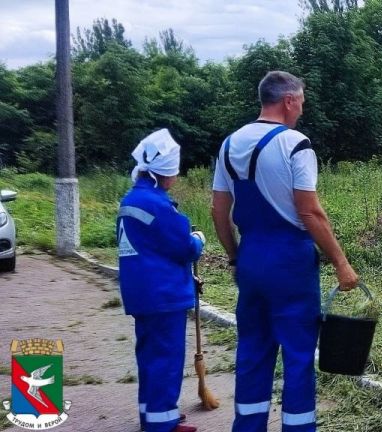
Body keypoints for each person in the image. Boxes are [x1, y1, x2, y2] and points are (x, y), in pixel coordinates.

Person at [211, 71, 359, 432]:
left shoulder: (229, 144)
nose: (302, 110)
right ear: (289, 100)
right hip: (289, 260)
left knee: (252, 350)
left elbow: (218, 211)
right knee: (297, 354)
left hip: (251, 255)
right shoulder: (295, 143)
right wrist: (341, 263)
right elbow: (310, 211)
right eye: (302, 102)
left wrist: (234, 256)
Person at [117, 128, 205, 432]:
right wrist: (198, 239)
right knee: (166, 358)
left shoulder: (131, 199)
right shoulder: (157, 204)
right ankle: (161, 424)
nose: (175, 178)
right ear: (163, 173)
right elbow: (183, 247)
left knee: (150, 356)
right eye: (174, 173)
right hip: (163, 293)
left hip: (140, 292)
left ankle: (153, 413)